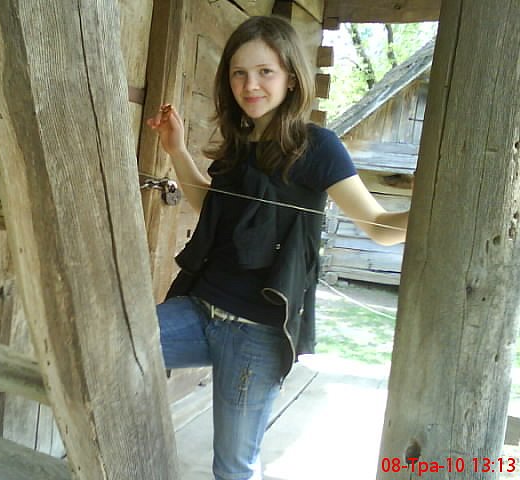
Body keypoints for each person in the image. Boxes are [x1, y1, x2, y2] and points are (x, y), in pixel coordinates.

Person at [147, 15, 408, 480]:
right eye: (239, 73)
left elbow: (381, 228)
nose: (250, 85)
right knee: (116, 344)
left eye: (265, 71)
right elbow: (210, 206)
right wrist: (177, 150)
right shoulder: (238, 142)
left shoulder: (318, 147)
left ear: (291, 78)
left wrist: (440, 205)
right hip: (199, 311)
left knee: (233, 468)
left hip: (257, 335)